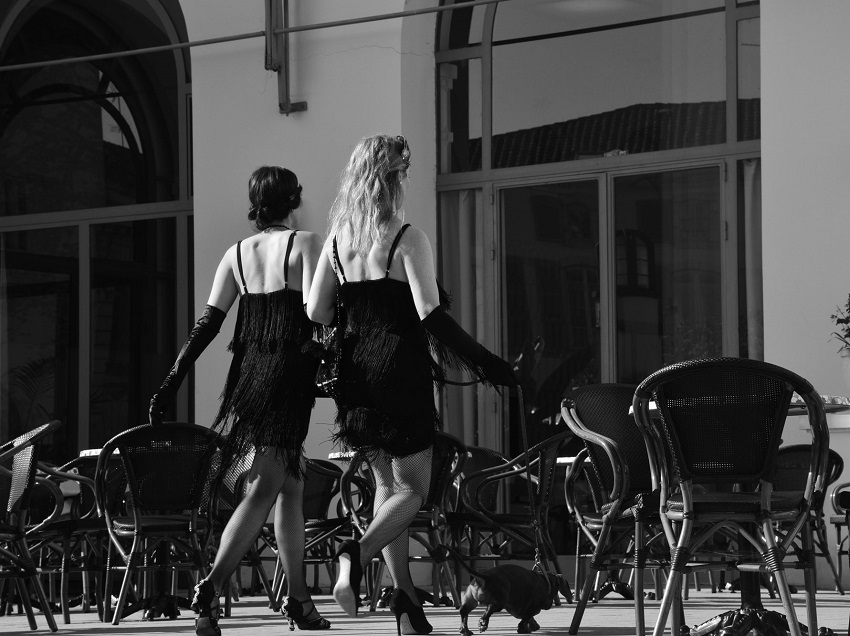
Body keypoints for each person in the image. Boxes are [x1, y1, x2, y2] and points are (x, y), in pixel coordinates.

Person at [306, 134, 518, 636]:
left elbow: (316, 311)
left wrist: (358, 315)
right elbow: (431, 315)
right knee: (414, 492)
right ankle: (354, 554)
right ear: (391, 180)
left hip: (355, 379)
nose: (405, 180)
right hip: (400, 373)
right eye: (402, 172)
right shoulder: (408, 238)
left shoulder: (337, 242)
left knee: (387, 489)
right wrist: (488, 364)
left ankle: (405, 604)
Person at [149, 166, 329, 636]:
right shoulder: (307, 244)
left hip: (249, 378)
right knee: (264, 486)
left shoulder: (236, 254)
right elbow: (322, 316)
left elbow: (206, 325)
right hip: (289, 379)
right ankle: (210, 588)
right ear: (294, 200)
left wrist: (172, 380)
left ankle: (299, 599)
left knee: (290, 484)